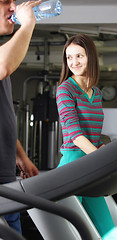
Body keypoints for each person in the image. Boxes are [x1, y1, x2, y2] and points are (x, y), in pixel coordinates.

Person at [56, 34, 117, 239]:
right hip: (72, 167)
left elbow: (93, 135)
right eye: (69, 57)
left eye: (79, 56)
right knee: (71, 234)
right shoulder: (65, 90)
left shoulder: (96, 92)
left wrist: (107, 153)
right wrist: (102, 160)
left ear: (90, 57)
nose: (73, 62)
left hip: (91, 167)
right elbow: (75, 133)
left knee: (109, 231)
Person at [0, 0, 41, 234]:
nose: (13, 8)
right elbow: (3, 65)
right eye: (5, 2)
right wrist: (28, 25)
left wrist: (20, 156)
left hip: (5, 176)